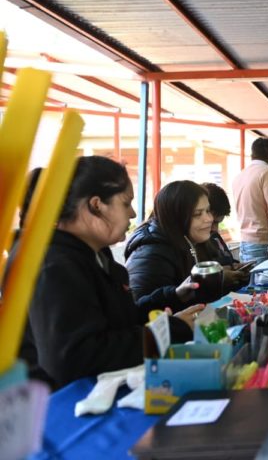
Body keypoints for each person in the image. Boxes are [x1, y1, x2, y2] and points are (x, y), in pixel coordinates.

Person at [19, 156, 202, 389]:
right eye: (126, 203)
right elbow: (75, 358)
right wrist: (168, 331)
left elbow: (119, 321)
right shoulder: (54, 265)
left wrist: (172, 297)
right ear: (96, 206)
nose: (134, 214)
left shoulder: (94, 254)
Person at [125, 180, 221, 308]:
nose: (209, 219)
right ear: (175, 217)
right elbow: (140, 311)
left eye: (208, 211)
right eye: (197, 214)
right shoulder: (151, 253)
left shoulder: (193, 239)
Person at [233, 138, 268, 264]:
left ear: (252, 155)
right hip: (262, 243)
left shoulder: (239, 176)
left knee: (250, 282)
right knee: (265, 283)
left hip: (244, 243)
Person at [200, 182, 250, 289]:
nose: (215, 229)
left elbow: (226, 259)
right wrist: (222, 276)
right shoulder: (197, 242)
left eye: (218, 223)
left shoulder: (214, 236)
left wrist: (236, 267)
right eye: (213, 222)